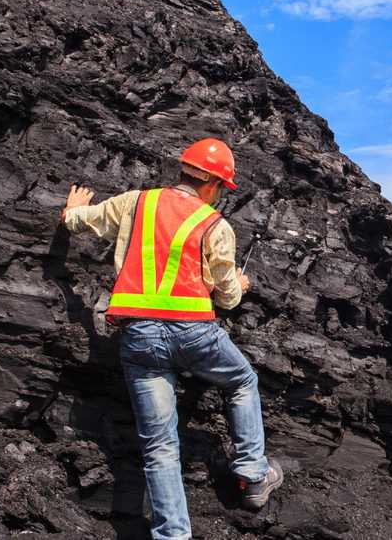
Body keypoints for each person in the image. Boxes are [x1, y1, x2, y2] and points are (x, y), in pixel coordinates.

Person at [61, 137, 282, 540]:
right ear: (213, 185)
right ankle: (253, 476)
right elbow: (228, 297)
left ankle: (173, 535)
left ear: (184, 171)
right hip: (195, 335)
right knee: (242, 380)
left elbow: (83, 222)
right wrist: (241, 284)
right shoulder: (215, 225)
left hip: (140, 338)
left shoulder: (137, 202)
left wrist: (72, 212)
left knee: (160, 446)